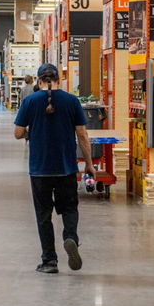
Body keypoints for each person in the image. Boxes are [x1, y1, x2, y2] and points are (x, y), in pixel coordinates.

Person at [13, 64, 96, 274]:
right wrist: (89, 163)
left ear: (39, 80)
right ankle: (70, 237)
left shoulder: (29, 101)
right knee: (69, 208)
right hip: (66, 167)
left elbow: (18, 132)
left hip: (39, 169)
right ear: (58, 79)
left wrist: (33, 131)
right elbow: (82, 136)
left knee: (43, 215)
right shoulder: (71, 101)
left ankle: (49, 261)